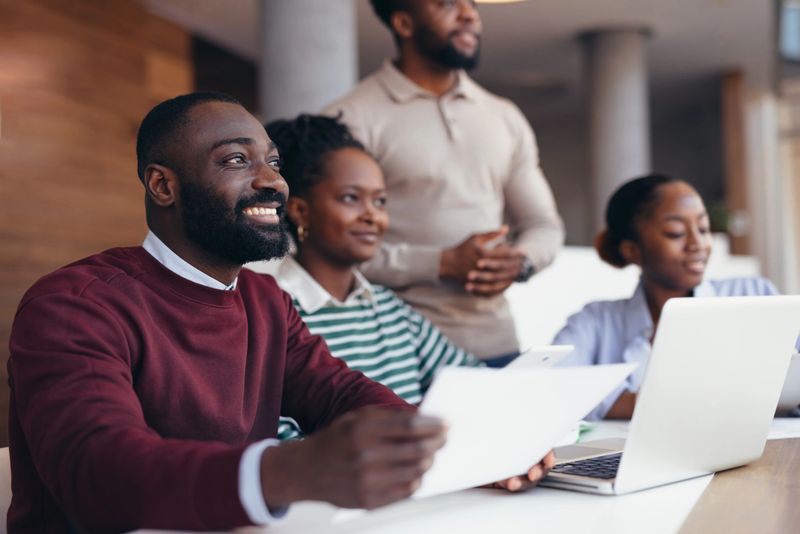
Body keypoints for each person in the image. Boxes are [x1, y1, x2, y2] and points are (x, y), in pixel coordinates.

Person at [6, 92, 450, 533]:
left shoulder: (266, 301)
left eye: (274, 164)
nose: (273, 182)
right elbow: (99, 474)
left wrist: (462, 451)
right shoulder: (73, 304)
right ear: (163, 186)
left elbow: (340, 394)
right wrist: (287, 471)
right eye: (236, 160)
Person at [324, 0, 564, 366]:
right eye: (448, 4)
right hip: (395, 353)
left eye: (472, 4)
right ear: (404, 22)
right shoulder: (351, 118)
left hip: (496, 344)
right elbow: (324, 246)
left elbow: (543, 225)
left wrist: (521, 262)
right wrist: (439, 263)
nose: (470, 14)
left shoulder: (504, 116)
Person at [263, 114, 482, 438]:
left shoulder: (391, 310)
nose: (372, 216)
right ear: (300, 211)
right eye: (351, 198)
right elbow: (274, 435)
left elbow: (472, 384)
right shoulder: (269, 313)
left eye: (379, 201)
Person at [553, 174, 785, 420]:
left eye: (704, 229)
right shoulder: (596, 321)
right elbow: (550, 386)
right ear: (632, 250)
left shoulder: (753, 295)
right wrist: (669, 404)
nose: (698, 243)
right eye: (676, 233)